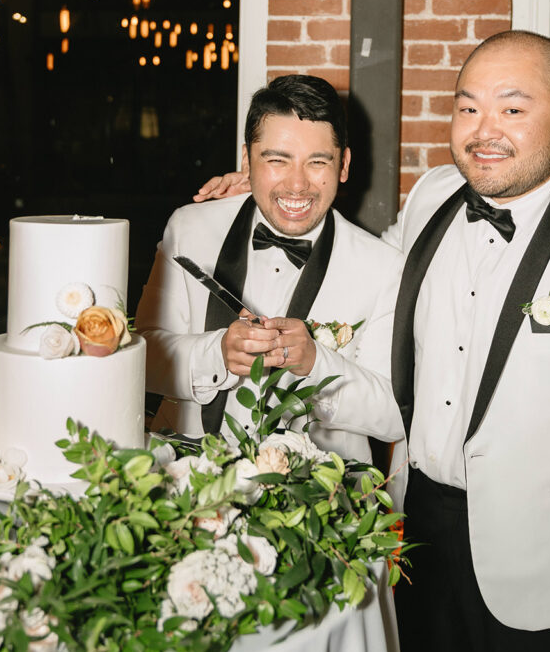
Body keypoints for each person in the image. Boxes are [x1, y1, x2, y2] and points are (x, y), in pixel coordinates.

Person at [195, 31, 550, 652]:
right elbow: (368, 266)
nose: (484, 131)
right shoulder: (436, 192)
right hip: (423, 525)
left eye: (512, 108)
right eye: (467, 108)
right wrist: (260, 193)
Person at [136, 73, 405, 467]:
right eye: (277, 160)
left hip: (317, 504)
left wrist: (317, 365)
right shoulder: (189, 228)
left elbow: (394, 416)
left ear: (343, 165)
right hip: (182, 480)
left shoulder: (384, 268)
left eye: (318, 162)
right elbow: (139, 358)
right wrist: (216, 355)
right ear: (247, 161)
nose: (297, 185)